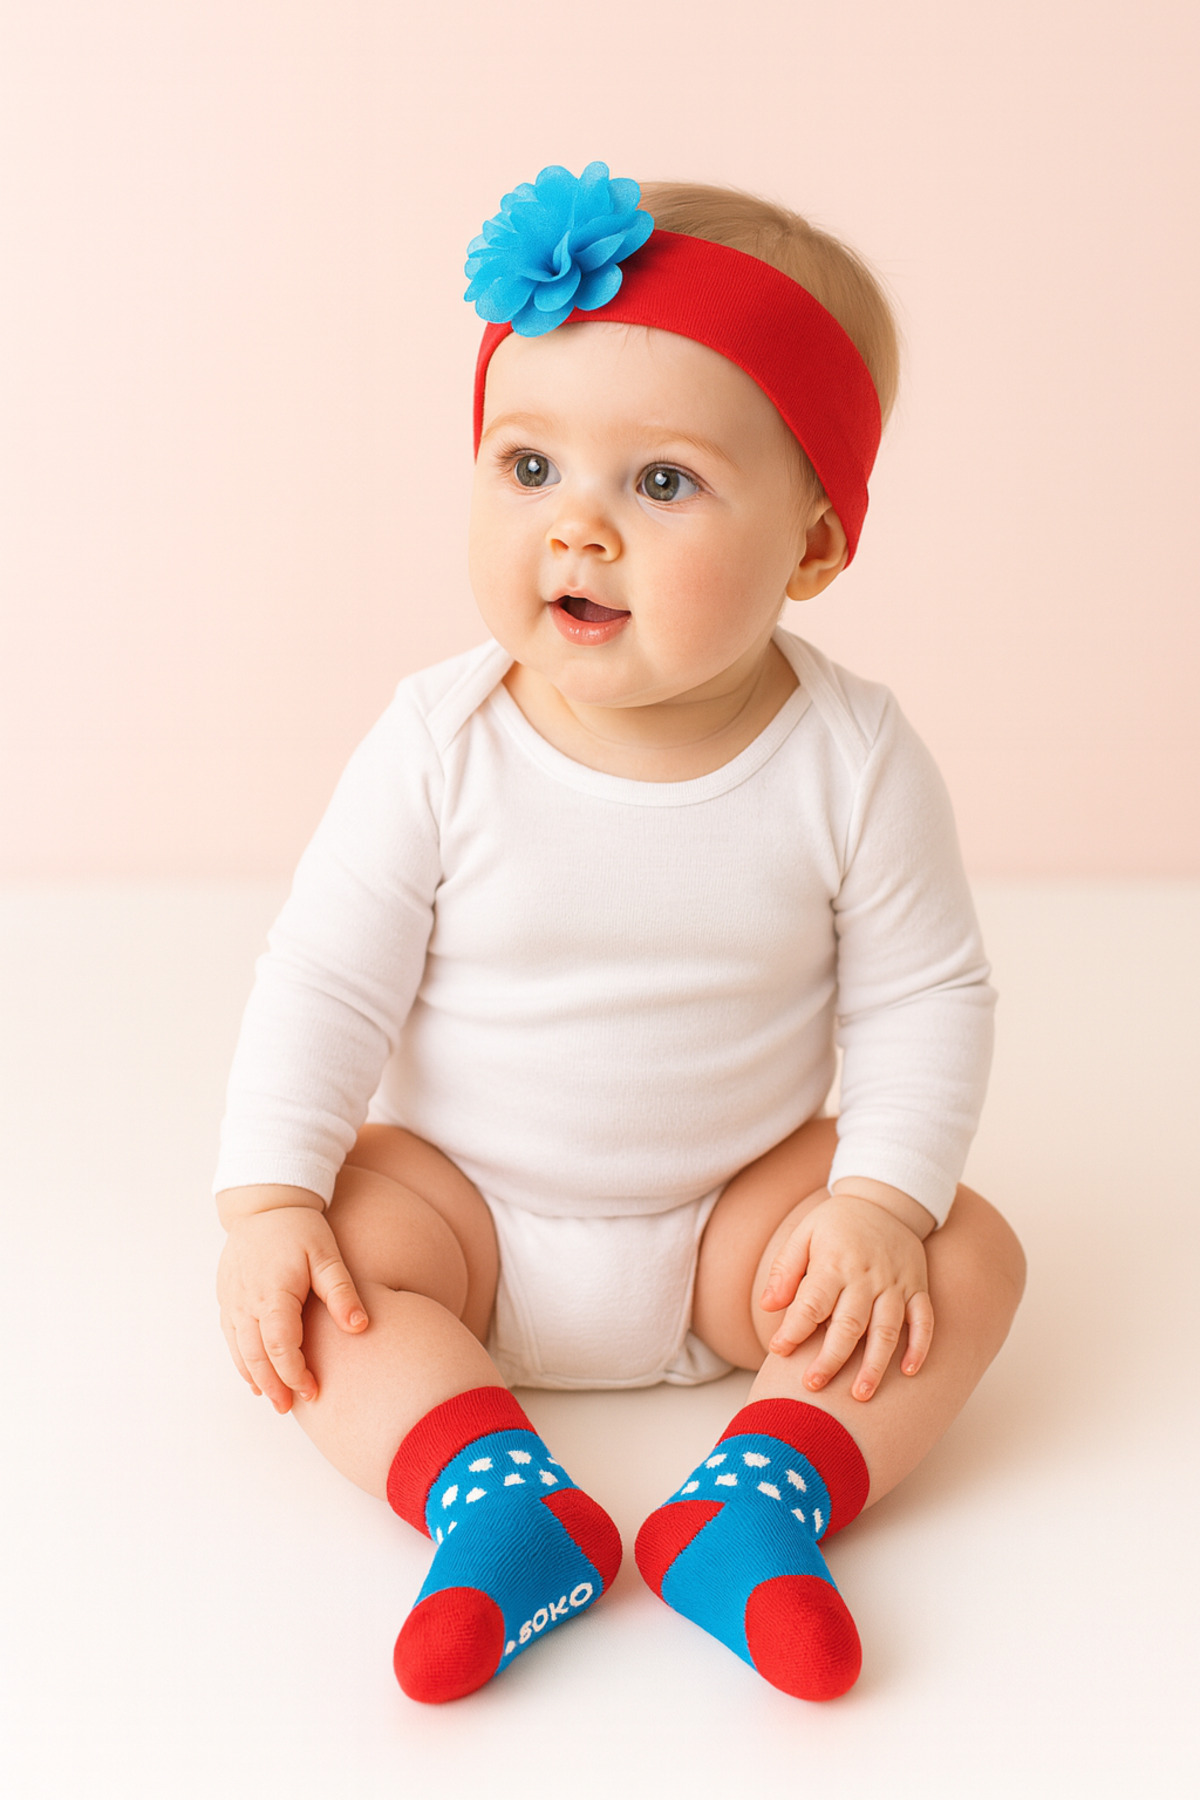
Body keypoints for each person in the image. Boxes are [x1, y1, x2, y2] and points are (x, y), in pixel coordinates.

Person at [214, 162, 1026, 1706]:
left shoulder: (851, 757)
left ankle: (759, 1501)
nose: (577, 527)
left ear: (811, 548)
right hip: (464, 1216)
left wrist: (875, 1201)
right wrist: (269, 1197)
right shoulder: (438, 742)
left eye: (661, 484)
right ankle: (493, 1505)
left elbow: (927, 994)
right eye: (528, 467)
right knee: (315, 1279)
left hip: (736, 1229)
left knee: (965, 1249)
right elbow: (325, 976)